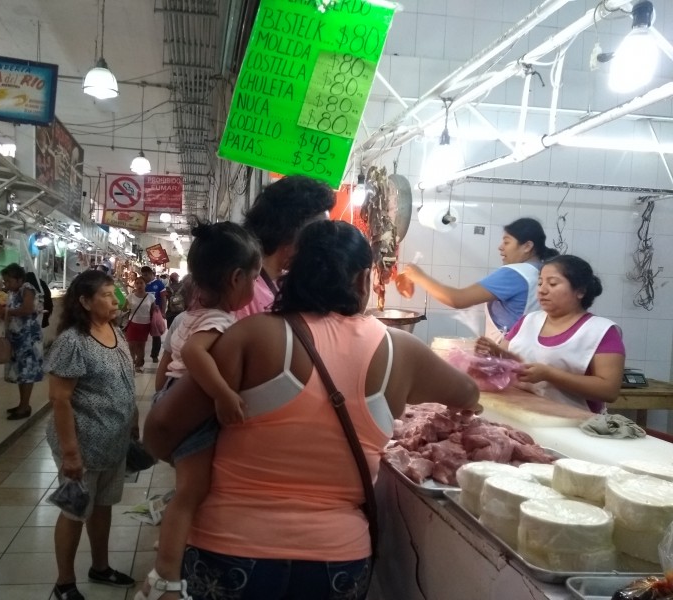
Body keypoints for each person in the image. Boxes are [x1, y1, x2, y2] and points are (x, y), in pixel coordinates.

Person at [140, 220, 479, 600]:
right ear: (363, 280)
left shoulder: (252, 336)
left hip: (232, 546)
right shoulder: (401, 349)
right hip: (338, 559)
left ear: (290, 274)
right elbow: (468, 394)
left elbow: (161, 429)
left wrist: (193, 461)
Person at [136, 221, 262, 600]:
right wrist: (223, 394)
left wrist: (162, 397)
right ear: (236, 278)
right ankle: (165, 579)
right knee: (191, 493)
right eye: (254, 280)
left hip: (174, 399)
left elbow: (168, 360)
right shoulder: (219, 322)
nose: (256, 289)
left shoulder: (185, 318)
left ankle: (169, 538)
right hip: (193, 411)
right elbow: (192, 354)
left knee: (188, 488)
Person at [46, 269, 139, 600]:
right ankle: (65, 583)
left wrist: (134, 421)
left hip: (112, 444)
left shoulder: (115, 331)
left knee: (102, 507)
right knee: (74, 512)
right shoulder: (73, 341)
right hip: (82, 447)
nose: (114, 300)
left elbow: (125, 382)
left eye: (115, 293)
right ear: (84, 302)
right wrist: (70, 453)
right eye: (105, 295)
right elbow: (59, 399)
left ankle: (100, 567)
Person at [475, 254, 625, 412]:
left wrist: (549, 375)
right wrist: (494, 353)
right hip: (519, 414)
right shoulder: (528, 321)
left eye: (552, 284)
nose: (542, 290)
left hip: (574, 424)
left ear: (580, 291)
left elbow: (609, 390)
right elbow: (507, 365)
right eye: (540, 283)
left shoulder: (601, 331)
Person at [403, 217, 559, 341]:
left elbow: (457, 299)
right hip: (527, 350)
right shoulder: (542, 270)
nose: (500, 247)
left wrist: (418, 276)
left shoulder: (514, 273)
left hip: (506, 354)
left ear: (527, 246)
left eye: (506, 242)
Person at [235, 175, 336, 319]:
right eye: (318, 231)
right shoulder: (243, 293)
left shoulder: (286, 284)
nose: (324, 242)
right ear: (289, 228)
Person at [1, 263, 44, 420]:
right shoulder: (15, 291)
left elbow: (27, 309)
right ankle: (22, 404)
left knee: (26, 373)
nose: (6, 285)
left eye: (8, 281)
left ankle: (25, 406)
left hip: (28, 339)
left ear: (19, 280)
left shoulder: (27, 289)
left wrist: (7, 312)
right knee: (21, 372)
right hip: (19, 338)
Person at [124, 274, 156, 372]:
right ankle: (131, 363)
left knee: (141, 346)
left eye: (141, 283)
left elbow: (153, 311)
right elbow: (124, 308)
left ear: (145, 284)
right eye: (137, 283)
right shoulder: (130, 297)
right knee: (131, 345)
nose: (139, 285)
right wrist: (125, 306)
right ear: (135, 285)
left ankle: (138, 365)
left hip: (145, 324)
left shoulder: (150, 297)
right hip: (133, 323)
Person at [141, 266, 167, 362]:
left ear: (151, 274)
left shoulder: (159, 284)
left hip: (156, 313)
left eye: (146, 275)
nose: (144, 277)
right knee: (142, 334)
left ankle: (154, 355)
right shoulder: (142, 284)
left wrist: (163, 312)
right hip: (143, 313)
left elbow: (164, 299)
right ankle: (140, 356)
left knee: (156, 335)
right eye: (143, 275)